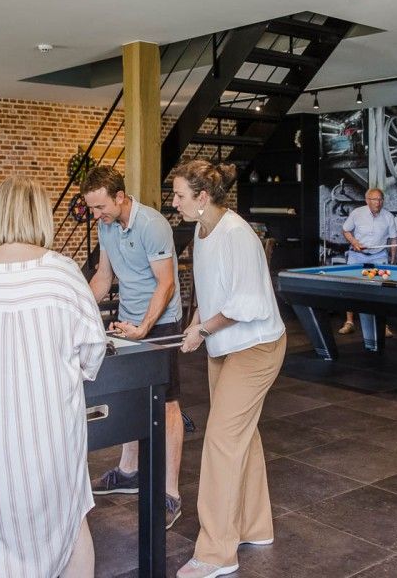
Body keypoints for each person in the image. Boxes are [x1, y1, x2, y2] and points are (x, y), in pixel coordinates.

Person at [0, 176, 105, 578]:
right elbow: (92, 351)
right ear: (41, 216)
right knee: (72, 520)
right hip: (54, 432)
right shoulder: (63, 273)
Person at [170, 160, 287, 578]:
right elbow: (210, 291)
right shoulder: (203, 231)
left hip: (256, 349)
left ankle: (217, 552)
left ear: (202, 198)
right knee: (241, 435)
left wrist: (201, 328)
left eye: (180, 195)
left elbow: (247, 305)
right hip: (225, 347)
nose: (174, 201)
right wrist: (195, 325)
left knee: (221, 439)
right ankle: (255, 526)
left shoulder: (237, 235)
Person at [80, 166, 185, 529]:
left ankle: (171, 494)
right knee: (129, 395)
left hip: (161, 322)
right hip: (128, 321)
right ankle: (129, 472)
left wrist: (145, 327)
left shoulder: (152, 224)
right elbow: (104, 278)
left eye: (100, 207)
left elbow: (166, 284)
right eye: (92, 208)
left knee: (168, 403)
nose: (96, 215)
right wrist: (76, 309)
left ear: (120, 197)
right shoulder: (105, 226)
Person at [339, 188, 397, 336]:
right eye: (374, 199)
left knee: (382, 290)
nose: (378, 203)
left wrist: (392, 260)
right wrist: (354, 242)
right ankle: (349, 322)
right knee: (350, 287)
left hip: (378, 256)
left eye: (380, 199)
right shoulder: (357, 213)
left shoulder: (388, 216)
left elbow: (393, 240)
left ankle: (383, 325)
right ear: (367, 200)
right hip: (357, 255)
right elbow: (346, 230)